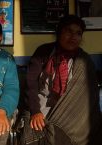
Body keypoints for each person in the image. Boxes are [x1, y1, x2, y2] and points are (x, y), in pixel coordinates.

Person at [23, 15, 102, 145]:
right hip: (42, 109)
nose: (73, 37)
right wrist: (35, 111)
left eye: (78, 33)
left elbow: (91, 98)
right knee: (33, 135)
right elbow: (31, 84)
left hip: (71, 114)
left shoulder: (84, 61)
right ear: (59, 32)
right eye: (69, 31)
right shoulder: (43, 52)